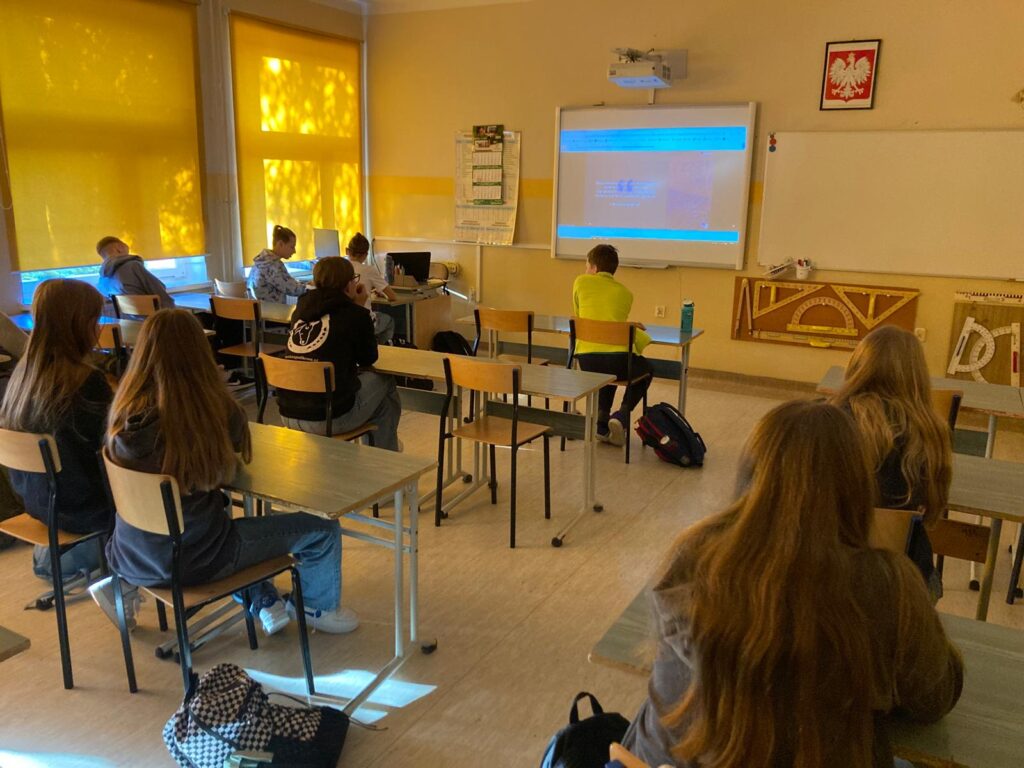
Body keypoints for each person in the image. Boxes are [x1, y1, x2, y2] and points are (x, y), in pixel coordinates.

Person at [621, 400, 963, 768]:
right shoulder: (887, 583)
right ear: (858, 484)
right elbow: (934, 696)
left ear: (751, 472)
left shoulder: (695, 552)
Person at [96, 309, 356, 634]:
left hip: (132, 555)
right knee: (323, 529)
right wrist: (219, 390)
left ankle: (261, 597)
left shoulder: (122, 415)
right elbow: (230, 463)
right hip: (198, 560)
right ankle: (316, 607)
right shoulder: (209, 413)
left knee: (216, 519)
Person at [0, 280, 113, 582]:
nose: (98, 329)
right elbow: (113, 453)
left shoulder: (22, 378)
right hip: (86, 509)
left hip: (42, 504)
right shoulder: (85, 383)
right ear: (77, 324)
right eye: (95, 320)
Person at [831, 325, 952, 601]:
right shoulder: (933, 432)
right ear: (917, 375)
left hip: (833, 572)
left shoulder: (830, 418)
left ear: (857, 365)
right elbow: (933, 508)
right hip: (909, 579)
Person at [277, 257, 401, 451]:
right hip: (329, 416)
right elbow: (368, 359)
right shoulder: (354, 314)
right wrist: (360, 308)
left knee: (382, 405)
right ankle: (387, 454)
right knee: (385, 379)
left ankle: (381, 449)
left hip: (288, 412)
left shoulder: (300, 309)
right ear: (348, 284)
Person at [571, 243, 653, 446]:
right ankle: (622, 416)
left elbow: (580, 316)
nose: (586, 270)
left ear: (594, 268)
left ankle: (601, 423)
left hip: (587, 360)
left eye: (587, 266)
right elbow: (612, 319)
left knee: (605, 372)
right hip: (617, 362)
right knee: (646, 369)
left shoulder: (580, 282)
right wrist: (628, 327)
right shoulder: (625, 293)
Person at [95, 236, 175, 309]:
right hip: (155, 315)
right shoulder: (133, 266)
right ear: (119, 248)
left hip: (130, 318)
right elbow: (159, 289)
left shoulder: (103, 279)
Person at [345, 232, 397, 343]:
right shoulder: (369, 270)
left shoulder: (340, 269)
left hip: (345, 320)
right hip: (364, 320)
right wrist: (383, 296)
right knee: (389, 321)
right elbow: (392, 296)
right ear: (366, 254)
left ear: (347, 251)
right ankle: (379, 347)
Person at [247, 224, 307, 303]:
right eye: (292, 247)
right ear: (280, 244)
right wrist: (311, 287)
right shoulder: (272, 265)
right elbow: (293, 289)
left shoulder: (261, 262)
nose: (294, 251)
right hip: (271, 310)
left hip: (260, 309)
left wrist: (305, 284)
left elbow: (287, 281)